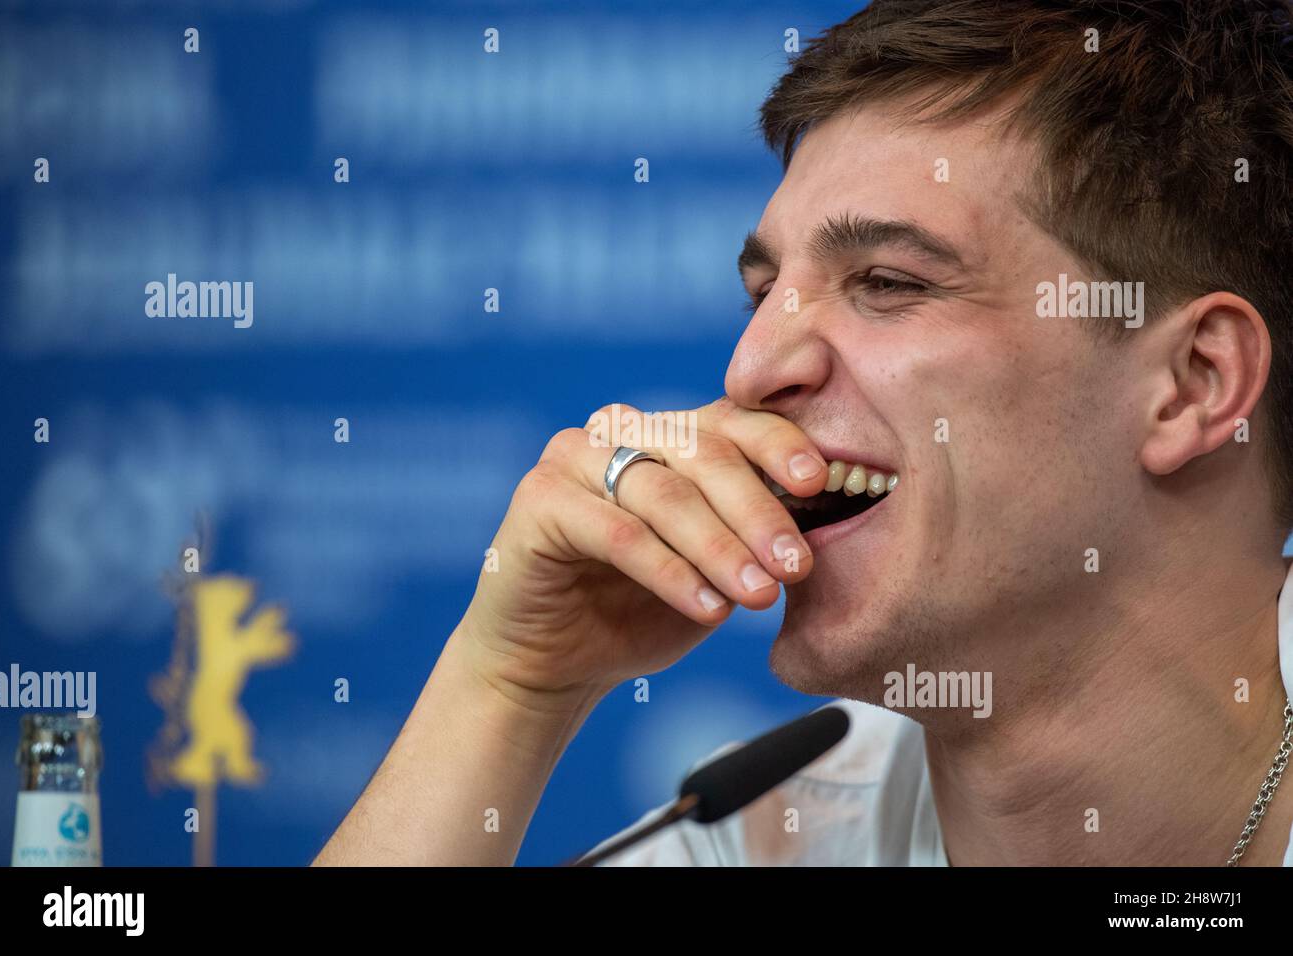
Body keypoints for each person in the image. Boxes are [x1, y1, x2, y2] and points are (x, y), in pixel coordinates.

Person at [316, 0, 1293, 866]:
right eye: (760, 292)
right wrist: (511, 688)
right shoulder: (745, 836)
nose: (748, 368)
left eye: (888, 282)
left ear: (1192, 384)